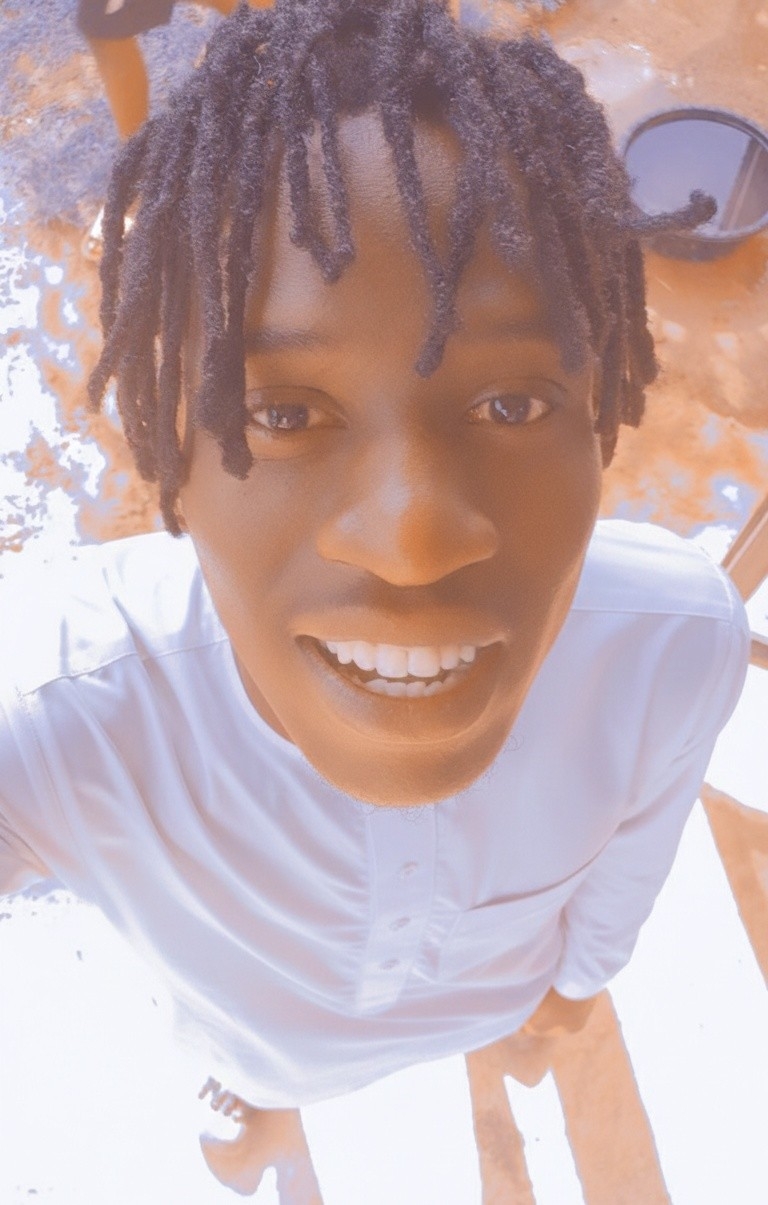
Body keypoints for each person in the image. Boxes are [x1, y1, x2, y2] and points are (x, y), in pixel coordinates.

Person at [2, 0, 748, 1193]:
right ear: (168, 459)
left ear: (603, 418)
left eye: (512, 404)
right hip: (256, 1047)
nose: (412, 542)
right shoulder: (61, 708)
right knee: (256, 1094)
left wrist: (570, 989)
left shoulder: (677, 641)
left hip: (487, 1010)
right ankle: (255, 1110)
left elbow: (629, 860)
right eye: (283, 413)